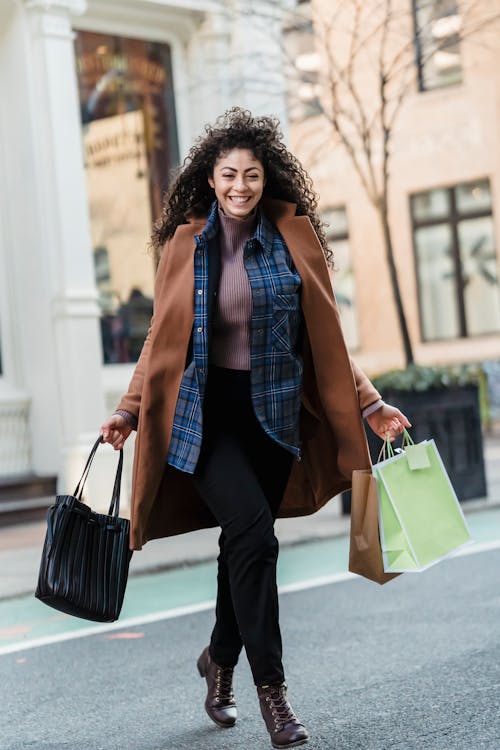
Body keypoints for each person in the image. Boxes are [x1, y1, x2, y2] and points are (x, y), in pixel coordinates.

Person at [100, 108, 410, 749]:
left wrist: (371, 403)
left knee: (244, 545)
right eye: (228, 175)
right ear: (209, 181)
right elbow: (160, 338)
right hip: (206, 417)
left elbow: (324, 339)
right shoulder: (186, 245)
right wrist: (129, 410)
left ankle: (218, 658)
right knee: (253, 537)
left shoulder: (293, 238)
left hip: (273, 416)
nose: (240, 185)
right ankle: (273, 691)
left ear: (265, 178)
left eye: (251, 174)